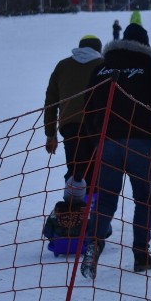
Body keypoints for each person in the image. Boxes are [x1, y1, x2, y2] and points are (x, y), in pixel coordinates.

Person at [73, 22, 151, 278]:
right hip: (141, 143)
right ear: (145, 43)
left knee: (106, 197)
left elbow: (88, 105)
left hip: (107, 142)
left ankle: (93, 246)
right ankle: (141, 255)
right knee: (143, 198)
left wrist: (97, 138)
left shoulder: (101, 68)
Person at [44, 35, 105, 189]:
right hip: (98, 127)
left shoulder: (62, 66)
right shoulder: (104, 65)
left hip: (70, 126)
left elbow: (51, 102)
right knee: (96, 171)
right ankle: (91, 206)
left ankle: (74, 206)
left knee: (75, 170)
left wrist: (51, 134)